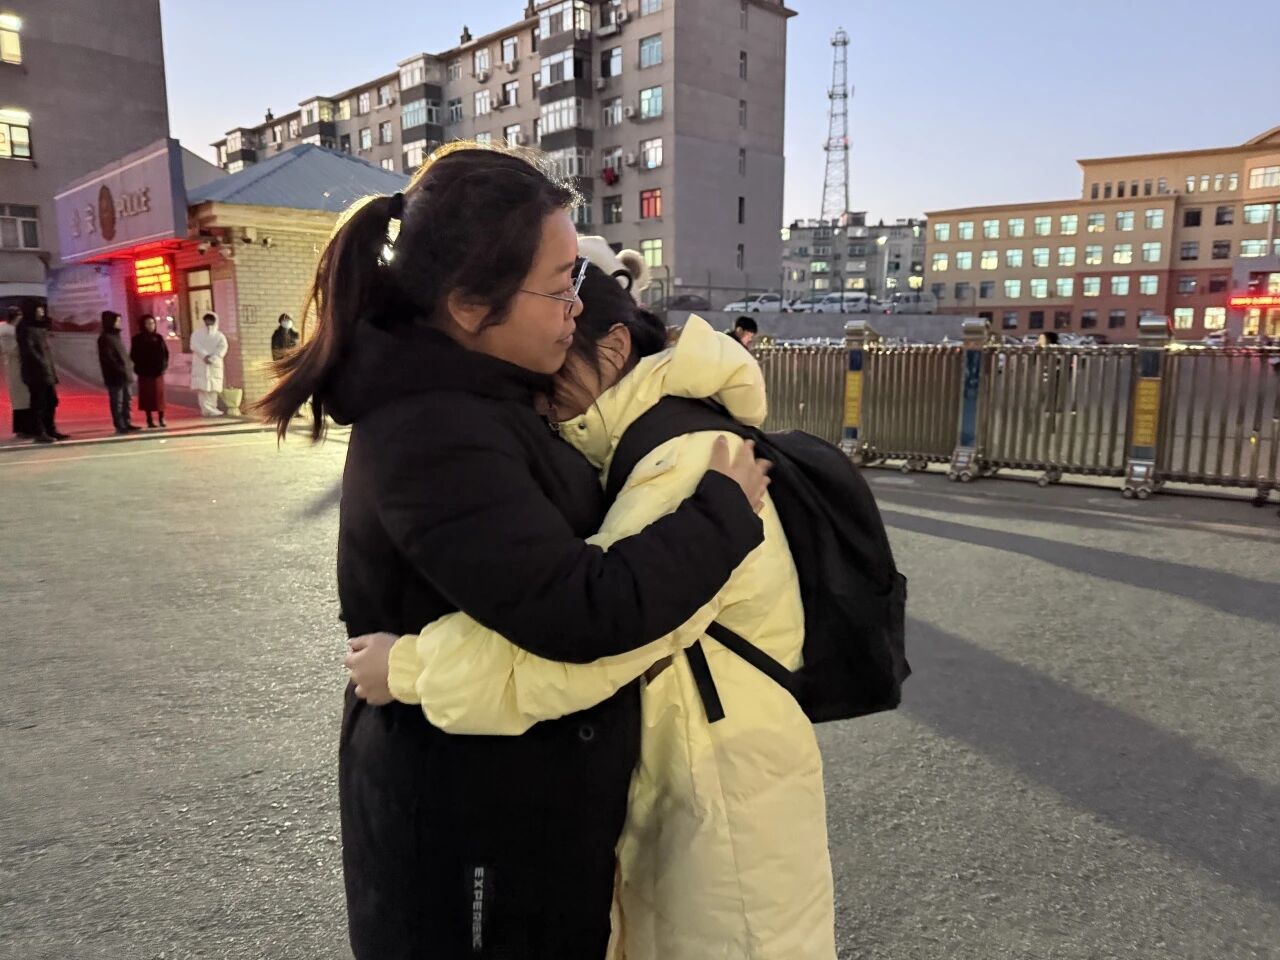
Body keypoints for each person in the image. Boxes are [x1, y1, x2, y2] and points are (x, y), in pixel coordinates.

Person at [255, 143, 770, 960]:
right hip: (472, 823)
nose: (578, 304)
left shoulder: (489, 394)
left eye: (579, 275)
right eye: (561, 284)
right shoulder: (433, 432)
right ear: (468, 305)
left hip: (516, 807)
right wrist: (720, 516)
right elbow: (579, 607)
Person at [348, 244, 836, 960]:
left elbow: (595, 638)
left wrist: (410, 668)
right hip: (708, 767)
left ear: (611, 348)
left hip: (724, 797)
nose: (540, 399)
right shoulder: (650, 435)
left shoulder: (683, 461)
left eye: (553, 375)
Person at [16, 303, 67, 442]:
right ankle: (39, 432)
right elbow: (29, 350)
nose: (42, 312)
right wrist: (42, 363)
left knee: (52, 400)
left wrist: (49, 366)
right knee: (39, 403)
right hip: (35, 372)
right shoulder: (24, 327)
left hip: (46, 370)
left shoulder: (39, 326)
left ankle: (50, 429)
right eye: (39, 309)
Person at [97, 311, 140, 434]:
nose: (119, 323)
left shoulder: (116, 336)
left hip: (125, 374)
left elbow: (123, 355)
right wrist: (120, 368)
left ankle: (127, 421)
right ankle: (120, 424)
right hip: (115, 376)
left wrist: (128, 366)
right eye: (117, 321)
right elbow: (108, 358)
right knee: (117, 401)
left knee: (127, 399)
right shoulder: (104, 338)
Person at [1, 306, 35, 437]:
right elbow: (12, 350)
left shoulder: (10, 329)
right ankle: (24, 428)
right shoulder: (7, 331)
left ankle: (26, 427)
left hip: (18, 366)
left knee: (23, 398)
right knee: (21, 399)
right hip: (16, 366)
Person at [130, 313, 169, 428]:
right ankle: (149, 419)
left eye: (152, 323)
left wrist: (163, 366)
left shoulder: (158, 338)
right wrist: (141, 366)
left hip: (158, 371)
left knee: (159, 396)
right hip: (144, 372)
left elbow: (165, 353)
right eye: (147, 323)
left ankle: (161, 418)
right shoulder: (137, 339)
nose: (150, 325)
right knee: (147, 396)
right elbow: (134, 355)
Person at [190, 311, 228, 416]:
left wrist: (213, 358)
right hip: (201, 363)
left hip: (214, 365)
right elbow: (194, 346)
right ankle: (206, 409)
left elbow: (223, 348)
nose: (209, 323)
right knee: (203, 389)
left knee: (213, 388)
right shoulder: (196, 334)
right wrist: (205, 356)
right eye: (207, 320)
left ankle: (213, 408)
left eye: (211, 320)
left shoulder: (220, 336)